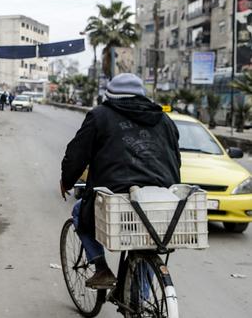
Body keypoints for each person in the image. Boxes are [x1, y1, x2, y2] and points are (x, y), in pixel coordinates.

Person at [60, 73, 181, 289]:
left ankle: (101, 268)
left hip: (114, 193)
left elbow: (77, 154)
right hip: (159, 196)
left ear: (110, 95)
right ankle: (141, 303)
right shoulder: (164, 119)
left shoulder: (100, 115)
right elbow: (176, 159)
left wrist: (67, 181)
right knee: (150, 241)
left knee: (80, 212)